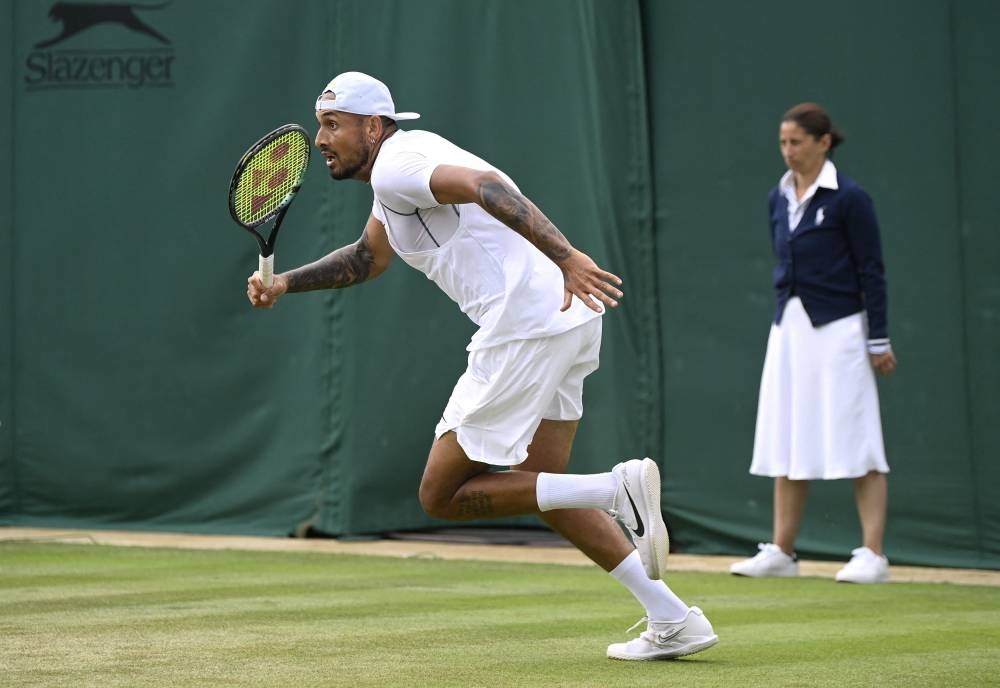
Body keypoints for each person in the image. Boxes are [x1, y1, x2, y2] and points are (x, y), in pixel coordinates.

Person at [246, 71, 718, 659]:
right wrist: (285, 283)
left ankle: (614, 488)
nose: (320, 139)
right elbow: (368, 258)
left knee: (440, 494)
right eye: (320, 125)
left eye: (332, 124)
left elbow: (484, 185)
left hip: (526, 323)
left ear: (372, 127)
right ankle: (672, 617)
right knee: (544, 488)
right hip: (566, 318)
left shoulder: (399, 164)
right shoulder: (397, 176)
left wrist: (567, 256)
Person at [730, 102, 897, 584]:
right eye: (783, 143)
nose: (789, 151)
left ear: (824, 142)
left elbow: (872, 270)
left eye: (797, 142)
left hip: (842, 329)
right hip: (789, 329)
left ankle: (873, 555)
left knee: (858, 437)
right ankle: (782, 552)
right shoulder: (777, 197)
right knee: (787, 434)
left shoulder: (850, 198)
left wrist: (878, 338)